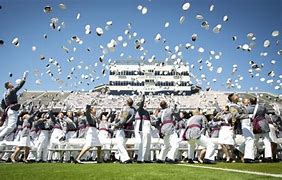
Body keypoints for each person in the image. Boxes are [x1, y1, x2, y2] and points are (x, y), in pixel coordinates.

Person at [0, 71, 28, 140]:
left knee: (5, 126)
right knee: (11, 126)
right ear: (8, 86)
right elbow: (19, 86)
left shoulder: (4, 94)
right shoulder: (11, 90)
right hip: (12, 110)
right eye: (10, 83)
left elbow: (2, 104)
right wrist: (24, 78)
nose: (12, 84)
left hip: (8, 110)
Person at [247, 97, 272, 162]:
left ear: (250, 102)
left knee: (254, 141)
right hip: (264, 123)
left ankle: (254, 156)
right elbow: (266, 112)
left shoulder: (249, 108)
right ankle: (268, 156)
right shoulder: (262, 107)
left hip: (256, 125)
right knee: (267, 141)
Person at [112, 98, 136, 164]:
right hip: (129, 128)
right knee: (122, 144)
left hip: (123, 128)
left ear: (127, 103)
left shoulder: (127, 110)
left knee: (119, 144)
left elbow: (123, 120)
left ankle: (126, 158)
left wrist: (116, 125)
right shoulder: (134, 110)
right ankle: (123, 159)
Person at [135, 94, 152, 163]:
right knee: (144, 143)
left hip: (148, 128)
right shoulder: (140, 110)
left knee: (148, 144)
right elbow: (141, 104)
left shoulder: (146, 112)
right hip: (144, 128)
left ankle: (146, 158)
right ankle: (140, 159)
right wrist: (143, 99)